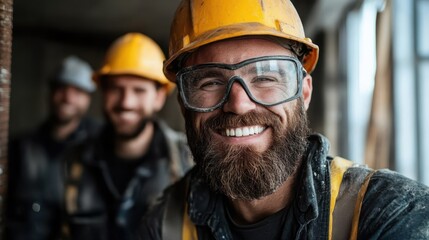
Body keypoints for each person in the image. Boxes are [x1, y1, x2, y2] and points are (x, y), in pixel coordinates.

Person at [138, 0, 429, 239]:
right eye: (210, 83)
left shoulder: (390, 213)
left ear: (303, 93)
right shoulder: (164, 226)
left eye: (265, 77)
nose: (239, 105)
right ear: (183, 104)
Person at [64, 33, 193, 240]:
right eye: (116, 89)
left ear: (159, 98)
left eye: (139, 91)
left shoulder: (189, 160)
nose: (126, 102)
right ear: (103, 93)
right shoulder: (73, 161)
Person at [6, 55, 99, 240]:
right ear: (50, 92)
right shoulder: (22, 148)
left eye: (78, 91)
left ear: (88, 99)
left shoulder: (100, 149)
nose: (68, 98)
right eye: (62, 88)